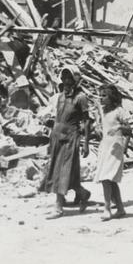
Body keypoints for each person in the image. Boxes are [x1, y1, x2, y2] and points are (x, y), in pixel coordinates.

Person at [41, 66, 92, 218]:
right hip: (58, 136)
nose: (66, 81)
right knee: (60, 170)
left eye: (69, 78)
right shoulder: (60, 97)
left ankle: (58, 207)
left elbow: (87, 121)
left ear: (75, 80)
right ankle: (82, 193)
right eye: (64, 78)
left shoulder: (80, 98)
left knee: (63, 170)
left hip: (71, 137)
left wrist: (86, 143)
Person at [94, 85, 132, 221]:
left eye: (104, 96)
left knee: (106, 178)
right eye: (101, 95)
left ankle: (107, 208)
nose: (101, 98)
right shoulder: (103, 111)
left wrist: (118, 127)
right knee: (111, 180)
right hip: (105, 146)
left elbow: (129, 130)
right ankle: (120, 208)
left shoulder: (119, 111)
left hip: (116, 147)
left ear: (112, 97)